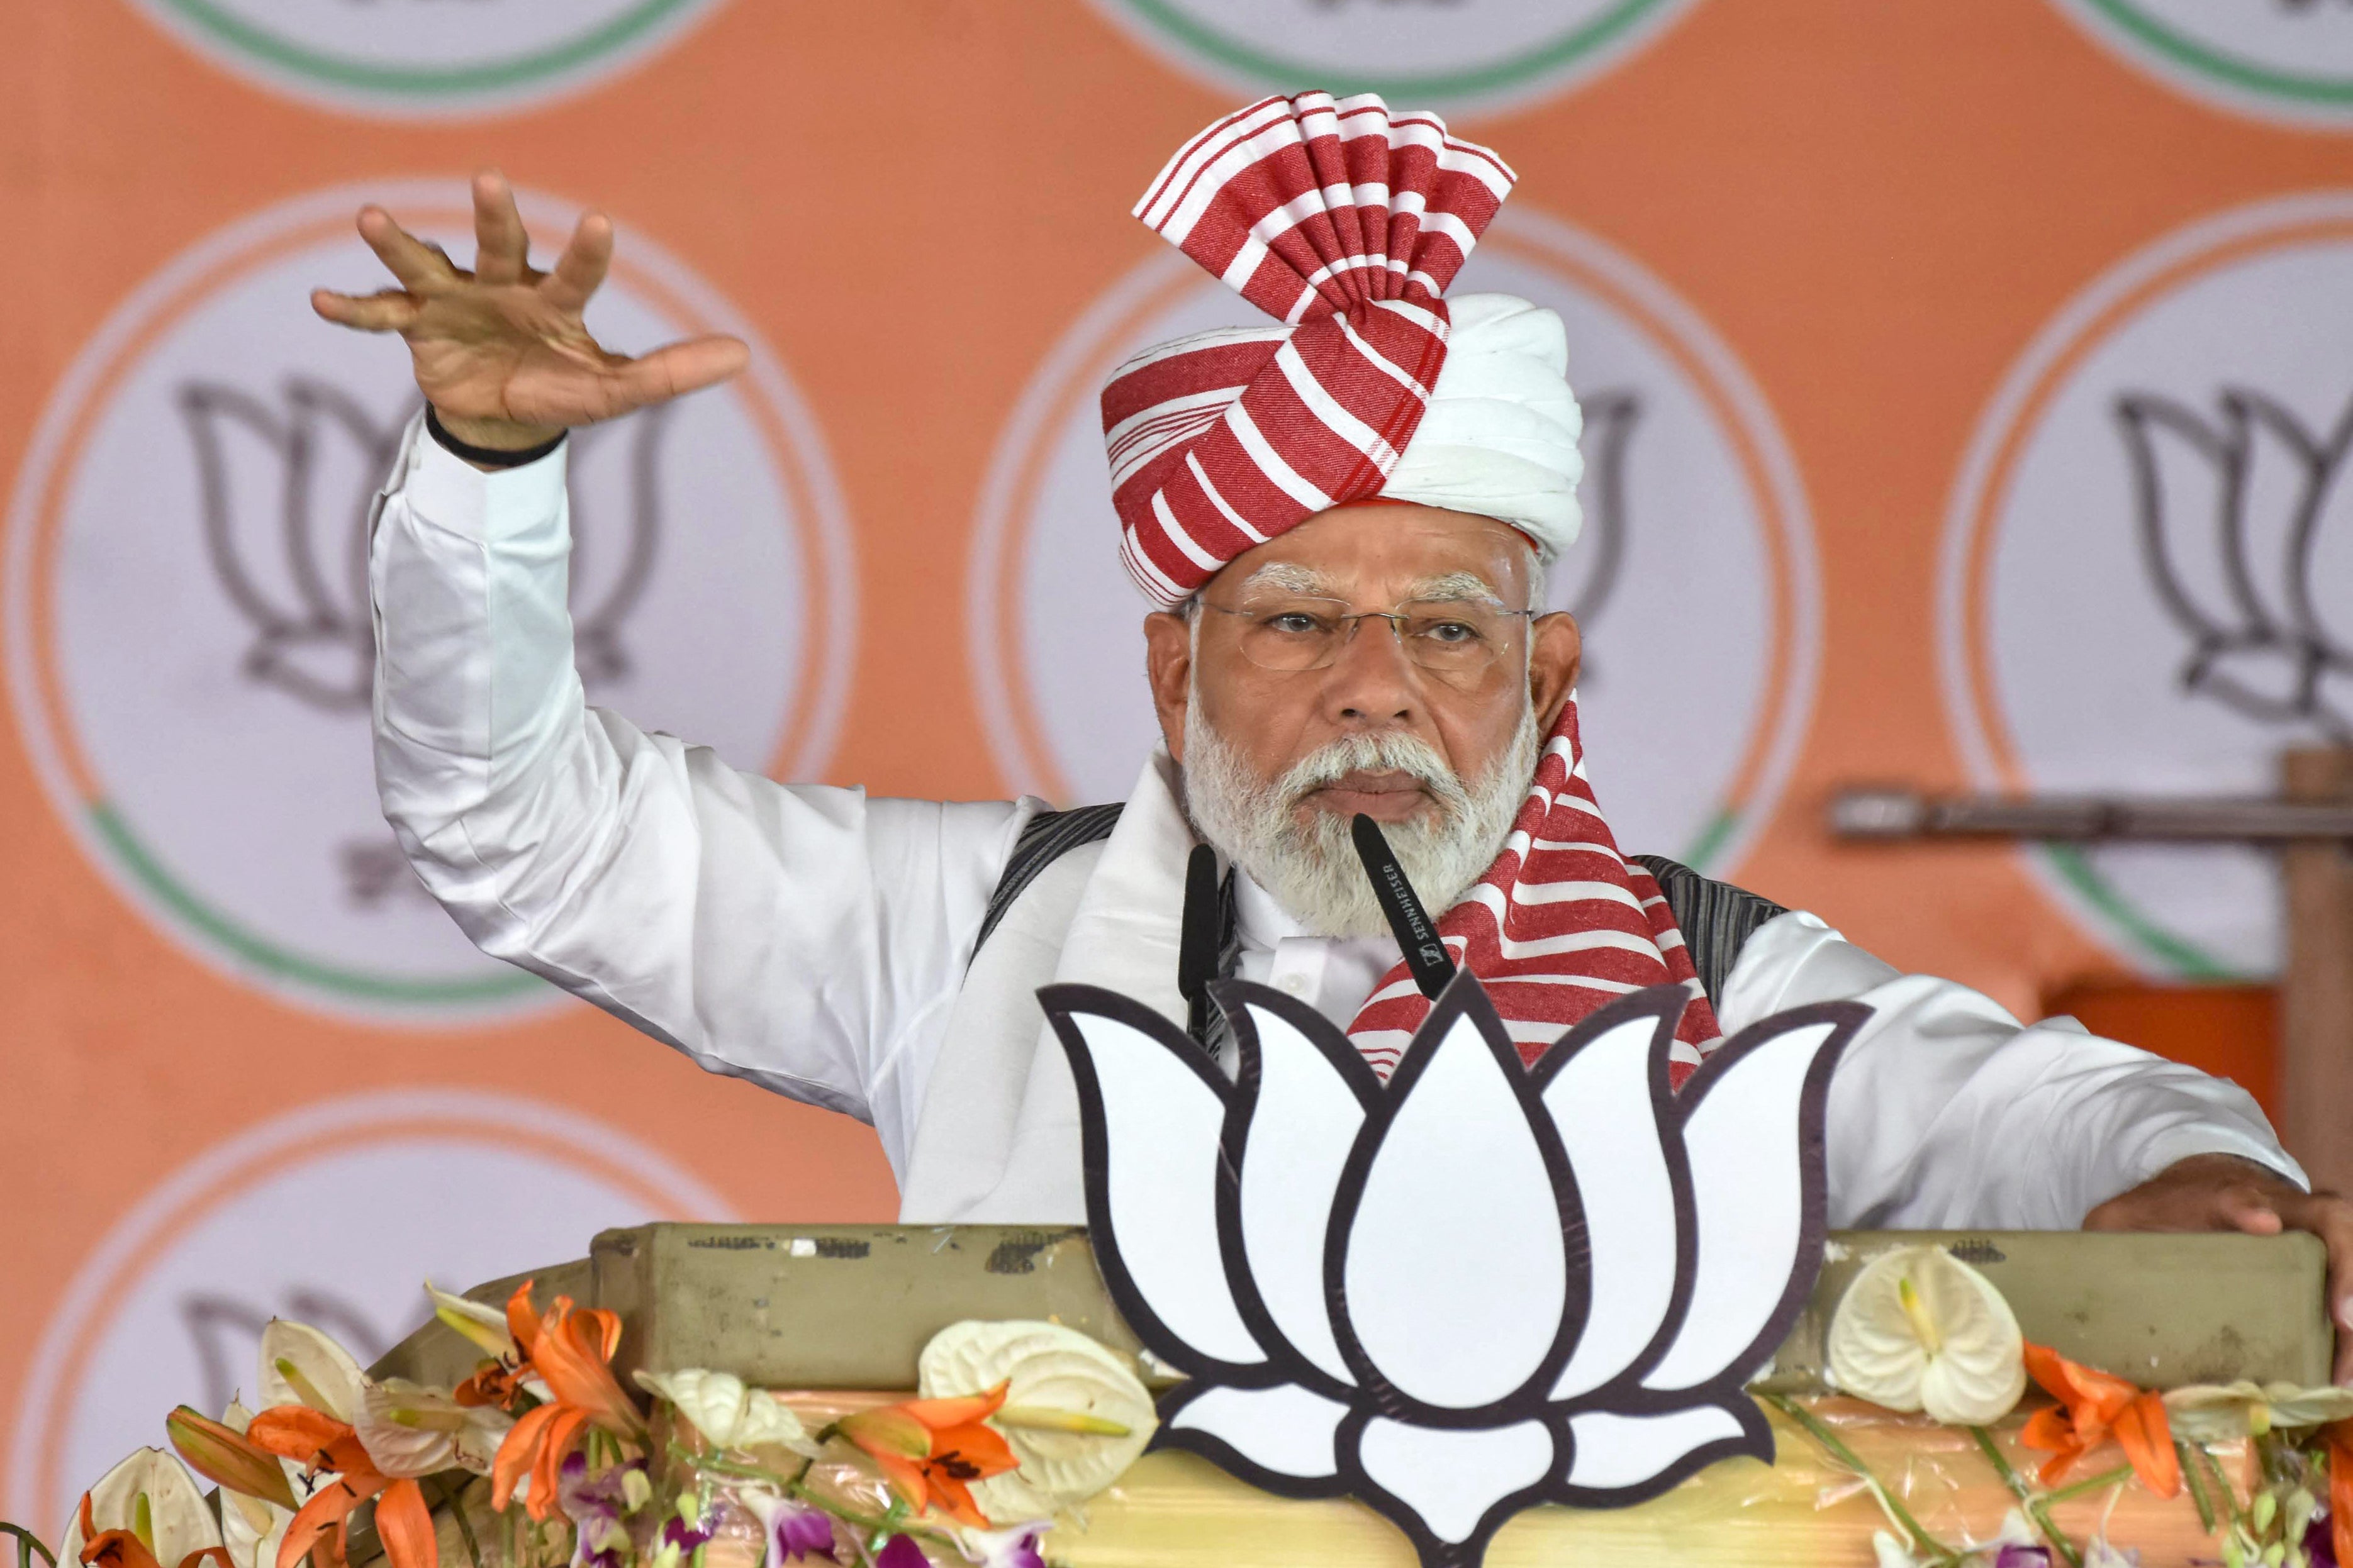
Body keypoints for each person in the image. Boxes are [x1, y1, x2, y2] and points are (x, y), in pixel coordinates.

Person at [319, 94, 2353, 1378]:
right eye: (1293, 620)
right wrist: (485, 479)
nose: (1372, 686)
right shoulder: (971, 928)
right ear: (1169, 677)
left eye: (1443, 631)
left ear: (1545, 687)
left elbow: (2041, 1116)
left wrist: (2191, 1166)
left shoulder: (1711, 984)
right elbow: (527, 831)